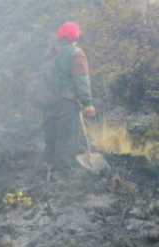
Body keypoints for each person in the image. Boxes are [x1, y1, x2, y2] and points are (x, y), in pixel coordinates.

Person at [41, 22, 95, 170]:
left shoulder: (49, 53)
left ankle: (46, 172)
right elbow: (81, 79)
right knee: (67, 141)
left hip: (48, 103)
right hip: (66, 102)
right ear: (75, 36)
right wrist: (88, 103)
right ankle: (63, 175)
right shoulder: (76, 53)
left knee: (51, 140)